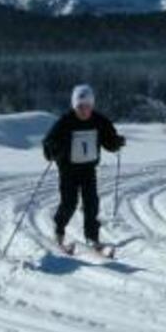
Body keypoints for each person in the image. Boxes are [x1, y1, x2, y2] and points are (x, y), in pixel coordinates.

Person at [42, 84, 125, 254]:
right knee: (69, 203)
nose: (84, 110)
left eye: (87, 106)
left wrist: (116, 142)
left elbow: (109, 140)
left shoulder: (99, 121)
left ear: (92, 105)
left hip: (88, 169)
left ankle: (93, 238)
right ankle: (59, 230)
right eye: (80, 106)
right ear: (74, 106)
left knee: (91, 203)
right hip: (68, 170)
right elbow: (48, 142)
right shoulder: (65, 122)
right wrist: (52, 150)